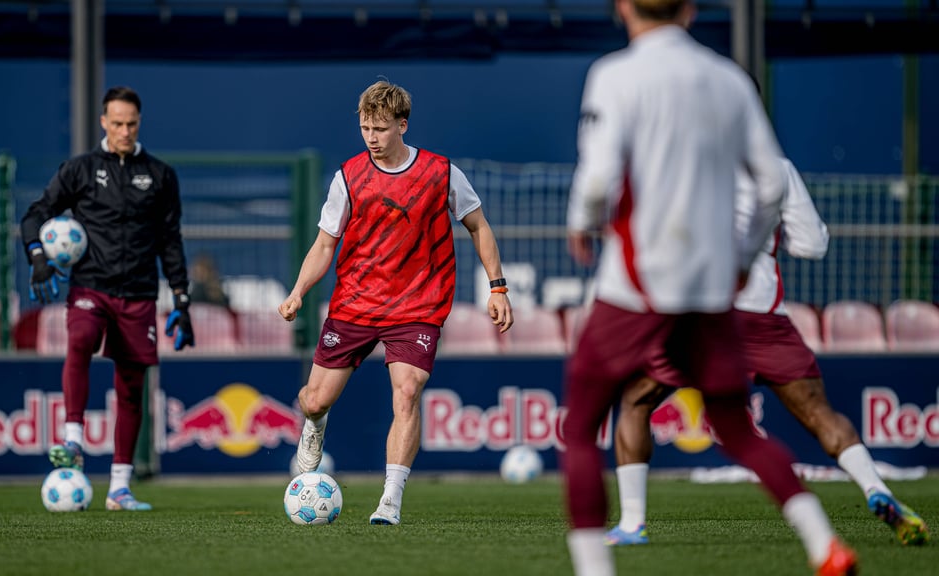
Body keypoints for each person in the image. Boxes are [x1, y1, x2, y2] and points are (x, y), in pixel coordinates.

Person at [561, 0, 857, 574]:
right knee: (736, 430)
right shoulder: (729, 80)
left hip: (635, 288)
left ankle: (596, 568)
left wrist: (581, 222)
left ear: (622, 8)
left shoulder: (615, 75)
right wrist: (742, 256)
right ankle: (824, 543)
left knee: (579, 430)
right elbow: (772, 182)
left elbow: (598, 176)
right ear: (692, 10)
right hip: (709, 290)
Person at [605, 158, 930, 547]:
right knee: (818, 413)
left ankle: (632, 523)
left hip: (700, 314)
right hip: (763, 317)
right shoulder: (778, 168)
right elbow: (812, 245)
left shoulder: (683, 157)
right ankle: (877, 490)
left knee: (636, 401)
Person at [278, 79, 514, 526]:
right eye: (365, 127)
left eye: (381, 128)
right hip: (356, 303)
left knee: (407, 392)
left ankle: (390, 499)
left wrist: (497, 287)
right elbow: (325, 245)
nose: (371, 137)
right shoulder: (347, 177)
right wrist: (297, 292)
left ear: (402, 125)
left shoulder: (442, 173)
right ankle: (313, 427)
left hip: (417, 307)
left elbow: (479, 226)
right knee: (313, 400)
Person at [20, 86, 194, 512]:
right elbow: (35, 215)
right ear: (103, 122)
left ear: (139, 123)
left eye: (131, 124)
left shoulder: (159, 175)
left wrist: (183, 300)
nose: (124, 131)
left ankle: (119, 488)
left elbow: (170, 241)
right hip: (90, 286)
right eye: (116, 123)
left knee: (132, 387)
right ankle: (74, 438)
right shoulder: (80, 169)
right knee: (79, 340)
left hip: (137, 294)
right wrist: (38, 257)